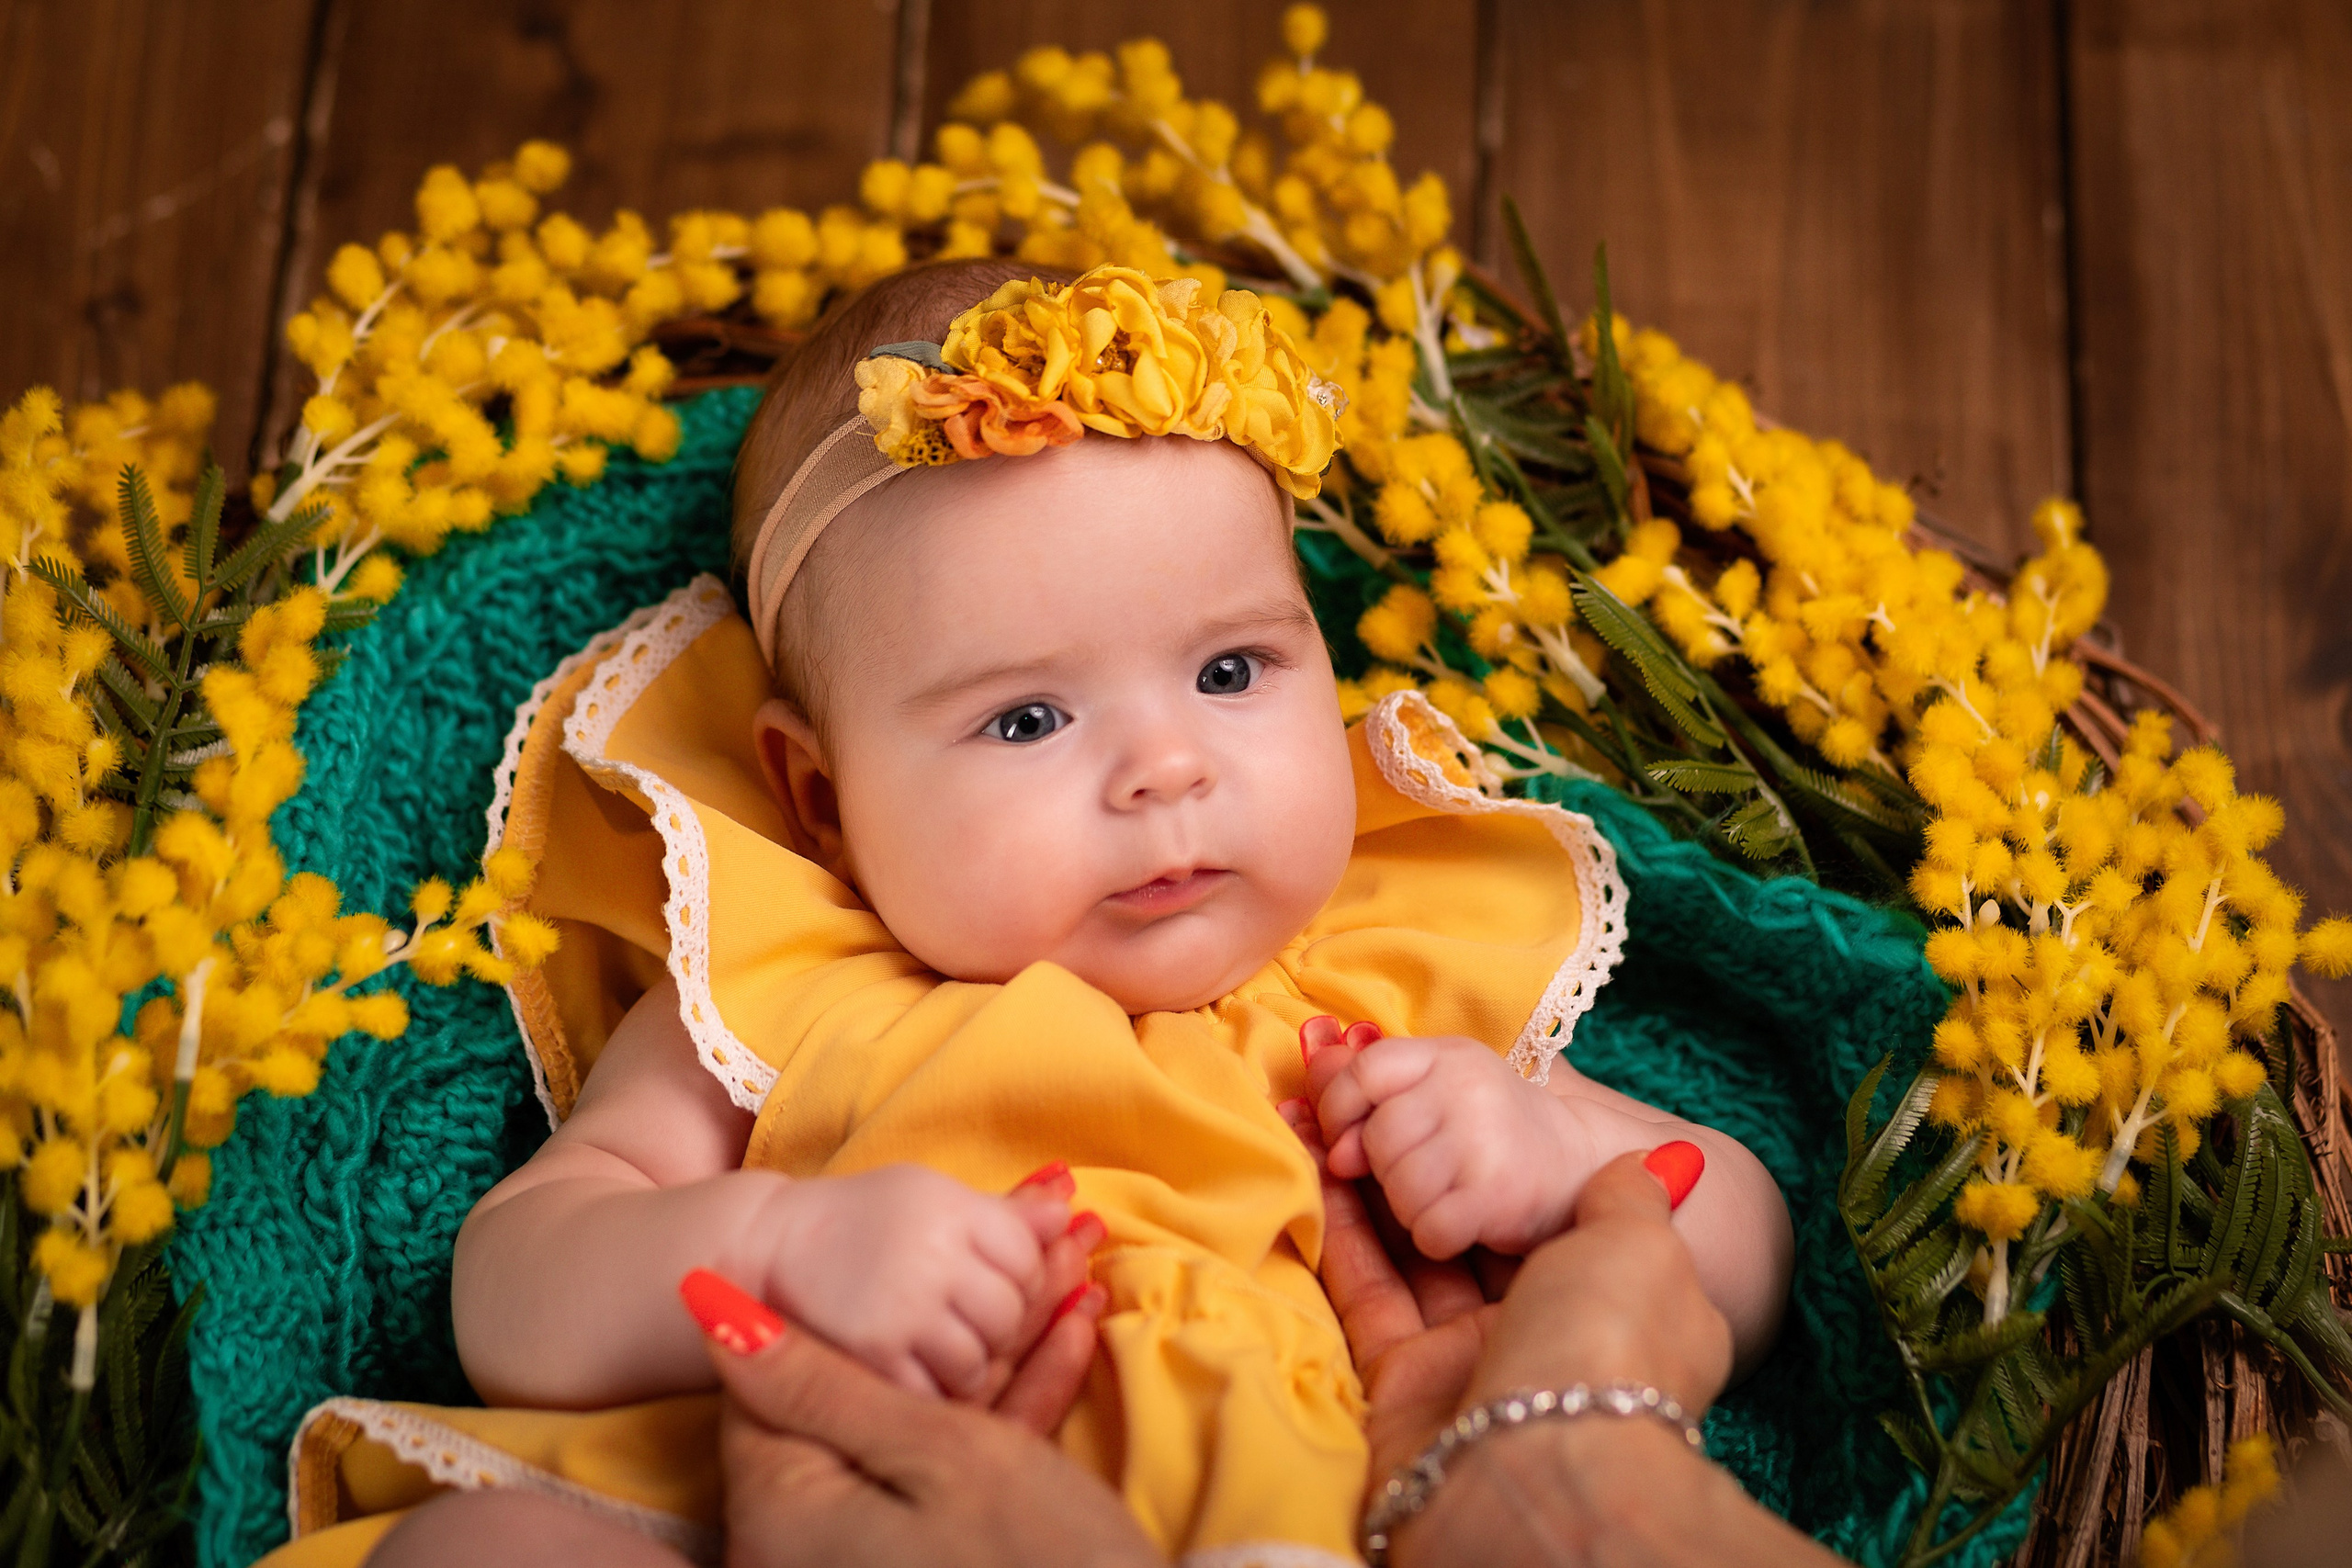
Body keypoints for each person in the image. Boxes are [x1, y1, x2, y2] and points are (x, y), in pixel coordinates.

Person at [277, 259, 1793, 1568]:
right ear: (819, 800)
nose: (1166, 769)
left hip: (1309, 1513)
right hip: (800, 1514)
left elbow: (1738, 1245)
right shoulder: (788, 979)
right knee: (491, 1549)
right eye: (1024, 722)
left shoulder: (1385, 983)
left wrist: (1551, 1159)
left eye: (1229, 671)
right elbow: (517, 1290)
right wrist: (779, 1248)